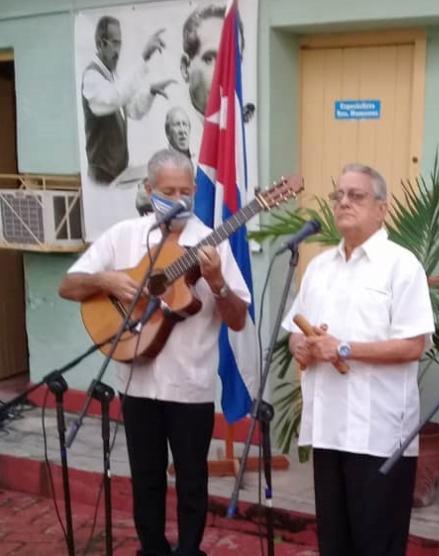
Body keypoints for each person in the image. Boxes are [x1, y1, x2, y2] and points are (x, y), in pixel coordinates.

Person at [59, 149, 251, 556]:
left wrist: (216, 282)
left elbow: (237, 320)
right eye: (168, 191)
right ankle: (152, 548)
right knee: (145, 477)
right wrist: (106, 281)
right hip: (136, 382)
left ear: (196, 191)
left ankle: (189, 550)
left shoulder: (211, 244)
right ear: (149, 190)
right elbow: (68, 286)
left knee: (191, 480)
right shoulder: (126, 235)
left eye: (185, 191)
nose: (178, 199)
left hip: (190, 385)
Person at [281, 164, 435, 556]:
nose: (344, 202)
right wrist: (299, 344)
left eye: (357, 195)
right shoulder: (319, 268)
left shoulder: (402, 265)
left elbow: (413, 344)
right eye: (339, 195)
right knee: (335, 543)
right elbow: (297, 330)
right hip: (329, 428)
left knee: (376, 544)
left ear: (382, 209)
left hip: (379, 435)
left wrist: (345, 348)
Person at [81, 16, 175, 184]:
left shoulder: (111, 76)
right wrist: (144, 57)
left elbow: (132, 110)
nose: (119, 50)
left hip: (118, 173)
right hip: (102, 177)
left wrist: (150, 92)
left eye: (120, 43)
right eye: (115, 43)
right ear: (101, 44)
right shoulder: (91, 77)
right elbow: (116, 97)